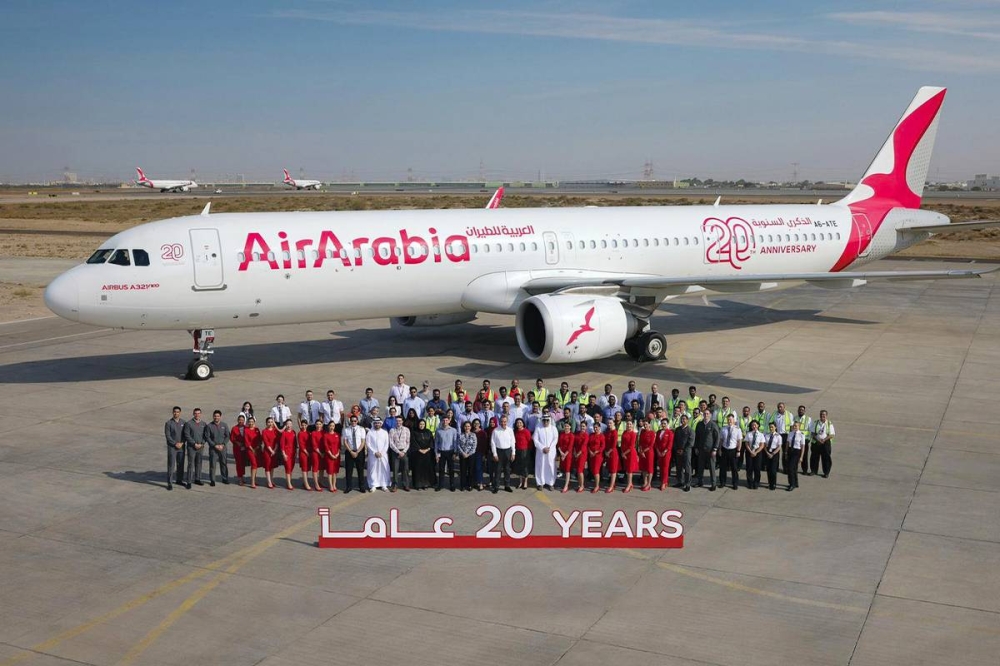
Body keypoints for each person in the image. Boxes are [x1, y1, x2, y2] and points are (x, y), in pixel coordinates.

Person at [694, 408, 720, 490]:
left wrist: (715, 449)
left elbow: (717, 437)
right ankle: (700, 482)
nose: (706, 415)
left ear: (710, 415)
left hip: (710, 450)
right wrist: (696, 447)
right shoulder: (699, 424)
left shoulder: (713, 425)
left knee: (712, 468)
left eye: (707, 414)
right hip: (701, 450)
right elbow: (697, 437)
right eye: (705, 414)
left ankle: (713, 484)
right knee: (700, 467)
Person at [183, 408, 208, 489]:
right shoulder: (188, 423)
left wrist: (202, 443)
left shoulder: (204, 424)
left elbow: (206, 435)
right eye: (195, 413)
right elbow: (187, 435)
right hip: (191, 447)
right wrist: (194, 444)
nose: (197, 415)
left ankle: (198, 479)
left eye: (198, 413)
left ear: (201, 414)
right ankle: (189, 481)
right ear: (193, 414)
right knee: (191, 464)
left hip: (200, 447)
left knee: (199, 463)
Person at [490, 415, 515, 493]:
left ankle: (507, 486)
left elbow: (513, 442)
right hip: (499, 451)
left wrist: (513, 453)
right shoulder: (495, 431)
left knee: (507, 470)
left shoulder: (510, 430)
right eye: (501, 421)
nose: (503, 423)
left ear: (507, 422)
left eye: (505, 421)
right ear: (499, 422)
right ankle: (496, 486)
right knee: (498, 470)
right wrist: (495, 454)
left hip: (508, 451)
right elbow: (493, 443)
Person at [204, 410, 229, 487]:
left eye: (218, 416)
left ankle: (224, 478)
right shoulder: (209, 426)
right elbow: (207, 437)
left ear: (220, 417)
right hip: (213, 448)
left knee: (223, 463)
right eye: (215, 416)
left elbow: (227, 436)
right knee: (212, 464)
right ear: (213, 416)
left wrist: (223, 444)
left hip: (222, 448)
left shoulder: (224, 425)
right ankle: (212, 480)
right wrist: (214, 445)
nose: (216, 417)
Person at [533, 414, 558, 490]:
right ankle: (540, 483)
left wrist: (549, 448)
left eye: (547, 420)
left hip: (551, 451)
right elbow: (535, 439)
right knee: (541, 466)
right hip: (541, 451)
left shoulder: (553, 428)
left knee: (551, 466)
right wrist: (542, 448)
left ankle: (551, 483)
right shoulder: (538, 428)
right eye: (544, 420)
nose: (546, 422)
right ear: (542, 420)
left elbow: (555, 439)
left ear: (549, 420)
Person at [342, 414, 367, 492]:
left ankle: (361, 486)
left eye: (355, 421)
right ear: (350, 421)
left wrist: (357, 452)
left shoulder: (361, 429)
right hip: (349, 452)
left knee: (360, 470)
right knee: (349, 470)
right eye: (352, 421)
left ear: (357, 421)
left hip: (359, 452)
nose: (353, 422)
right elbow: (345, 442)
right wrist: (351, 451)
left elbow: (363, 442)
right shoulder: (346, 430)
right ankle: (348, 487)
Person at [366, 417, 390, 492]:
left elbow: (386, 444)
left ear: (381, 424)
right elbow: (368, 443)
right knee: (373, 469)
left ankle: (384, 484)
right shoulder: (370, 433)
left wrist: (382, 452)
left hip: (383, 454)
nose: (377, 424)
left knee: (383, 469)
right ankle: (373, 484)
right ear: (374, 424)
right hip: (373, 455)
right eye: (376, 423)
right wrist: (374, 452)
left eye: (379, 423)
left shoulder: (384, 432)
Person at [164, 406, 186, 491]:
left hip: (181, 447)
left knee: (181, 464)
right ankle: (169, 483)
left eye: (177, 412)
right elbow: (168, 436)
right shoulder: (168, 423)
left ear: (180, 413)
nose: (176, 413)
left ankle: (179, 480)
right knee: (171, 465)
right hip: (172, 447)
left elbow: (185, 435)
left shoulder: (183, 422)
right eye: (174, 412)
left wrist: (182, 443)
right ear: (172, 412)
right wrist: (175, 443)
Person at [410, 419, 436, 490]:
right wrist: (420, 450)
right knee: (418, 469)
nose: (422, 426)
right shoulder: (414, 432)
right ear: (418, 425)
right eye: (420, 424)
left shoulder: (428, 432)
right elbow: (413, 442)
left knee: (426, 469)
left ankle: (426, 484)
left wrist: (427, 449)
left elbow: (431, 441)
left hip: (428, 454)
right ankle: (418, 485)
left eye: (423, 424)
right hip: (417, 454)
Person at [434, 416, 458, 491]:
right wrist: (436, 453)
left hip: (450, 452)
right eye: (443, 420)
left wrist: (455, 452)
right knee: (441, 469)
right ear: (441, 421)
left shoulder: (453, 430)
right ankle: (440, 485)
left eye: (446, 420)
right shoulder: (438, 430)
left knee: (451, 469)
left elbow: (455, 442)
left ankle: (452, 484)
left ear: (449, 421)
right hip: (441, 451)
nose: (445, 422)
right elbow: (436, 442)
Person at [719, 413, 742, 490]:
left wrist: (738, 450)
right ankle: (722, 482)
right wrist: (720, 449)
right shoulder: (723, 429)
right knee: (723, 467)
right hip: (725, 449)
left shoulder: (738, 429)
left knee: (734, 468)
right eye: (728, 420)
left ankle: (735, 483)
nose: (729, 421)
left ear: (734, 420)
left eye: (731, 420)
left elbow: (739, 441)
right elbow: (721, 440)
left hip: (733, 450)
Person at [810, 410, 835, 477]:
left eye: (824, 414)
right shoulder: (816, 422)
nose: (822, 416)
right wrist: (818, 439)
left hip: (826, 443)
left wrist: (824, 440)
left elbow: (831, 434)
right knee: (814, 457)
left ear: (826, 415)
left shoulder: (829, 423)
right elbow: (812, 433)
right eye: (821, 414)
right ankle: (813, 471)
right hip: (816, 442)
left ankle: (826, 472)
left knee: (826, 458)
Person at [389, 416, 411, 491]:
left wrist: (403, 451)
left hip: (404, 451)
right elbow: (391, 443)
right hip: (395, 452)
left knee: (405, 469)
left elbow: (408, 442)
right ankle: (395, 485)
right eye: (397, 421)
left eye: (400, 421)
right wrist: (398, 452)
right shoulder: (392, 430)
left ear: (402, 421)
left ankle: (406, 485)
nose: (398, 422)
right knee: (395, 469)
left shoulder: (406, 430)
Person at [743, 420, 765, 489]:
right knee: (749, 468)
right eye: (752, 425)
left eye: (755, 425)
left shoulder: (761, 434)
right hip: (749, 452)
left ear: (758, 425)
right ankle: (750, 483)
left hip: (758, 452)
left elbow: (762, 445)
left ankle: (756, 483)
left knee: (757, 468)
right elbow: (746, 443)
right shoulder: (748, 434)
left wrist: (756, 452)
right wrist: (751, 451)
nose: (754, 426)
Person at [674, 414, 693, 492]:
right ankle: (680, 481)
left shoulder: (690, 430)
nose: (683, 420)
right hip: (678, 451)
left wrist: (683, 450)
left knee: (687, 468)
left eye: (684, 419)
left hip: (686, 452)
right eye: (682, 419)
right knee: (679, 467)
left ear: (687, 420)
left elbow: (690, 442)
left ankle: (687, 484)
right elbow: (675, 441)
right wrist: (677, 449)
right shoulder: (677, 429)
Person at [457, 421, 477, 491]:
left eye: (468, 426)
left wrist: (468, 454)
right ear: (463, 427)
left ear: (471, 427)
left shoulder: (473, 435)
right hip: (462, 455)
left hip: (471, 455)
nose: (467, 427)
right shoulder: (460, 435)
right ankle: (462, 485)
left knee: (470, 471)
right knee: (463, 471)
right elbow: (458, 445)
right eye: (465, 426)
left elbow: (474, 446)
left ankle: (470, 485)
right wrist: (463, 453)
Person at [654, 419, 674, 491]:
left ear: (667, 424)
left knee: (665, 467)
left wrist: (665, 451)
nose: (663, 425)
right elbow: (656, 442)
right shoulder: (658, 432)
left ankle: (664, 482)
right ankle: (663, 481)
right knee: (661, 467)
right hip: (659, 452)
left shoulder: (670, 432)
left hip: (666, 453)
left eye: (664, 423)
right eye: (662, 423)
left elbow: (670, 443)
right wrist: (658, 451)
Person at [512, 417, 532, 489]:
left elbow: (530, 441)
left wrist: (528, 451)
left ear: (523, 424)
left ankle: (525, 482)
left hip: (525, 451)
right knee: (519, 466)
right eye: (517, 423)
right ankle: (520, 482)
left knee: (525, 466)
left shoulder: (526, 431)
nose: (519, 424)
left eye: (520, 423)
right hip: (517, 450)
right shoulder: (515, 432)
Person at [619, 420, 639, 493]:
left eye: (630, 424)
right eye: (628, 424)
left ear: (632, 425)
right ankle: (630, 484)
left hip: (630, 454)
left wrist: (624, 453)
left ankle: (628, 485)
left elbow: (631, 446)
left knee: (630, 470)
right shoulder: (624, 432)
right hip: (624, 453)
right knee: (627, 469)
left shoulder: (633, 434)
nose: (629, 425)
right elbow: (622, 443)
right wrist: (622, 452)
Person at [587, 419, 606, 493]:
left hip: (598, 456)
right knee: (593, 470)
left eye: (597, 427)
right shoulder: (591, 435)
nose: (595, 429)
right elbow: (588, 444)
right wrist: (590, 451)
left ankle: (597, 486)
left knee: (596, 470)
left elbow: (603, 446)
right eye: (594, 427)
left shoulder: (601, 436)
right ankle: (595, 483)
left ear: (599, 427)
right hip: (591, 455)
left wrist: (596, 452)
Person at [261, 417, 280, 489]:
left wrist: (274, 450)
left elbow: (277, 441)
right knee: (268, 466)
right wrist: (271, 451)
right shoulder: (264, 431)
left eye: (271, 422)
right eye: (269, 422)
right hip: (267, 451)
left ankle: (271, 480)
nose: (270, 423)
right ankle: (269, 481)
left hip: (274, 451)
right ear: (266, 423)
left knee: (272, 466)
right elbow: (266, 443)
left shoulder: (275, 431)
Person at [638, 419, 656, 491]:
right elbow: (640, 442)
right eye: (644, 424)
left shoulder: (652, 433)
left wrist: (643, 451)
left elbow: (651, 445)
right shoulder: (642, 431)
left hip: (649, 452)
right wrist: (641, 451)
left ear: (649, 425)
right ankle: (645, 482)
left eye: (646, 424)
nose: (645, 426)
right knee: (643, 468)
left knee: (649, 468)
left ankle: (649, 484)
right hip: (642, 452)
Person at [557, 421, 576, 493]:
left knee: (568, 470)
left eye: (568, 426)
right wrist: (561, 453)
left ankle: (566, 485)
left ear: (570, 427)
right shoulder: (561, 434)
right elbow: (558, 444)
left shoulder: (571, 435)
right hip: (562, 453)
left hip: (568, 455)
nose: (566, 427)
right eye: (565, 426)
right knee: (563, 469)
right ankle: (566, 482)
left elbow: (570, 446)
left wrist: (564, 455)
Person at [603, 415, 620, 493]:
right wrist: (605, 452)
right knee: (610, 469)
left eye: (610, 423)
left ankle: (611, 486)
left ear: (614, 423)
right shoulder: (607, 432)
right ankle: (613, 484)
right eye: (608, 423)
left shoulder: (615, 432)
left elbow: (614, 444)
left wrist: (608, 452)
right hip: (607, 452)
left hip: (613, 453)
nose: (609, 424)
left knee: (613, 470)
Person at [322, 421, 341, 492]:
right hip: (329, 456)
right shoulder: (326, 435)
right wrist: (331, 455)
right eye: (330, 426)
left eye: (333, 426)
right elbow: (326, 446)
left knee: (335, 471)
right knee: (330, 471)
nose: (331, 427)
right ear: (328, 426)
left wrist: (337, 454)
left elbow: (339, 445)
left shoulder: (337, 435)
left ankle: (334, 484)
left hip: (337, 455)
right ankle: (330, 485)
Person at [244, 417, 262, 489]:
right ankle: (252, 482)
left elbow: (260, 439)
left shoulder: (257, 429)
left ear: (254, 422)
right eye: (249, 422)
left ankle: (254, 479)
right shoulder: (246, 430)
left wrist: (257, 447)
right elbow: (246, 441)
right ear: (248, 422)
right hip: (250, 450)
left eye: (252, 422)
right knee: (254, 464)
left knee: (256, 465)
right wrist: (252, 449)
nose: (251, 423)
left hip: (257, 449)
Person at [229, 414, 247, 486]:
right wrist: (237, 443)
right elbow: (232, 438)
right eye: (239, 420)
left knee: (243, 463)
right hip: (237, 448)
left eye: (242, 420)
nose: (241, 421)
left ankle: (242, 476)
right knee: (239, 463)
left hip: (245, 448)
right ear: (237, 420)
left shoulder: (246, 428)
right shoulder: (234, 428)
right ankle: (240, 478)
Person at [296, 418, 314, 491]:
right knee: (304, 468)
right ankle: (306, 484)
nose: (303, 426)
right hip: (303, 453)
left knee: (307, 468)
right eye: (302, 425)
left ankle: (305, 482)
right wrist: (306, 452)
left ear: (307, 425)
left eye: (305, 425)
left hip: (309, 452)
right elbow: (301, 445)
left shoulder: (309, 433)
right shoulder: (300, 433)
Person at [278, 420, 296, 490]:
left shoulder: (293, 432)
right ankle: (289, 484)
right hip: (287, 453)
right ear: (285, 425)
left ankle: (289, 481)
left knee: (291, 468)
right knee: (288, 468)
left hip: (293, 453)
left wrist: (295, 453)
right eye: (287, 424)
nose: (289, 425)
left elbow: (295, 443)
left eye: (290, 424)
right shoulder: (284, 433)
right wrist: (284, 454)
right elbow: (282, 445)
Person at [786, 422, 804, 491]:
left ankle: (792, 484)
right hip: (790, 451)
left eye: (796, 426)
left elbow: (802, 447)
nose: (794, 427)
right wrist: (786, 452)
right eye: (794, 426)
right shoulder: (790, 433)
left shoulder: (801, 435)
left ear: (799, 427)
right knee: (794, 468)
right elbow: (788, 443)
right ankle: (796, 482)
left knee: (791, 468)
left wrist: (801, 457)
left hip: (797, 452)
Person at [795, 405, 813, 475]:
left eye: (802, 410)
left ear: (804, 411)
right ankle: (795, 469)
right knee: (796, 455)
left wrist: (809, 439)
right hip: (796, 440)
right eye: (800, 410)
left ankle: (804, 470)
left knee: (804, 456)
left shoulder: (808, 419)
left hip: (805, 440)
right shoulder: (795, 418)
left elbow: (811, 430)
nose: (801, 411)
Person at [763, 422, 782, 490]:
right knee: (768, 469)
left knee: (773, 470)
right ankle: (769, 483)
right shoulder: (767, 435)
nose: (771, 428)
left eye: (772, 427)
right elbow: (764, 445)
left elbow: (779, 447)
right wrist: (767, 453)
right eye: (770, 427)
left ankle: (773, 484)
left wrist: (773, 454)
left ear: (775, 427)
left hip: (775, 453)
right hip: (767, 452)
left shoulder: (778, 436)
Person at [308, 417, 325, 491]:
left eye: (320, 424)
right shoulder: (313, 433)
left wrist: (324, 452)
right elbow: (314, 445)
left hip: (323, 453)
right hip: (316, 453)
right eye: (317, 424)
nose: (318, 425)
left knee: (322, 468)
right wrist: (320, 453)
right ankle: (316, 484)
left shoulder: (324, 433)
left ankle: (320, 481)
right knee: (315, 468)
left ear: (322, 425)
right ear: (315, 425)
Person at [473, 418, 489, 491]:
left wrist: (484, 454)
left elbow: (485, 444)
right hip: (472, 452)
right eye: (475, 423)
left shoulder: (483, 433)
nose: (476, 425)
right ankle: (475, 482)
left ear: (480, 424)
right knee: (474, 468)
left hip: (480, 453)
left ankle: (481, 483)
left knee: (479, 468)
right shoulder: (472, 432)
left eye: (477, 423)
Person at [572, 420, 589, 493]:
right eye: (581, 426)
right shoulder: (577, 433)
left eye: (584, 426)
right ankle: (579, 484)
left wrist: (578, 454)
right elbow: (574, 443)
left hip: (582, 454)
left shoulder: (586, 435)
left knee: (580, 470)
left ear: (586, 427)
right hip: (576, 453)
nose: (582, 427)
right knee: (578, 470)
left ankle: (582, 485)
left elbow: (584, 446)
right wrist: (574, 452)